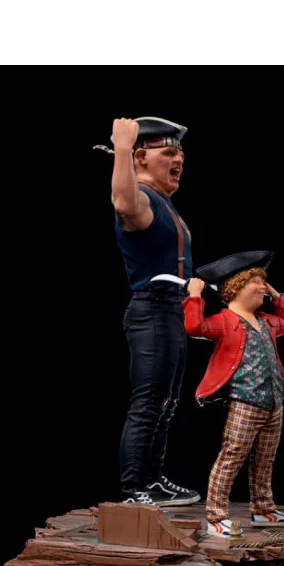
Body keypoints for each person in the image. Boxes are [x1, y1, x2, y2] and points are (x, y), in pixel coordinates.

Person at [108, 116, 200, 507]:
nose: (178, 160)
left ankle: (153, 480)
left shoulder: (164, 204)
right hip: (153, 312)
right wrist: (123, 148)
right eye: (168, 153)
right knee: (148, 403)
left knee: (167, 403)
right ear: (142, 157)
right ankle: (134, 490)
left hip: (171, 312)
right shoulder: (142, 199)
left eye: (181, 155)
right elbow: (122, 201)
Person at [182, 251, 284, 536]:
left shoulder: (266, 321)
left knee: (265, 458)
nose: (262, 287)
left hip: (274, 403)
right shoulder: (224, 320)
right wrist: (194, 295)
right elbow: (194, 326)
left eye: (264, 282)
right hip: (245, 403)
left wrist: (278, 297)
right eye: (256, 281)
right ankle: (217, 515)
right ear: (236, 286)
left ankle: (263, 509)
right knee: (231, 457)